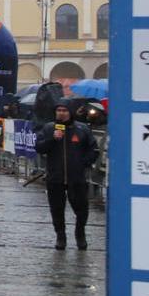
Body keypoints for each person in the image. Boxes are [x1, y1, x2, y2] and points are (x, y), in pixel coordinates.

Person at [35, 100, 98, 250]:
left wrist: (83, 163)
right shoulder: (49, 128)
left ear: (70, 113)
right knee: (57, 209)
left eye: (64, 110)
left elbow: (93, 149)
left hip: (76, 178)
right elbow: (39, 147)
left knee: (81, 208)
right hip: (55, 177)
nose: (61, 113)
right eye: (59, 110)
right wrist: (52, 139)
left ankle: (80, 233)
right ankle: (60, 236)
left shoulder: (81, 129)